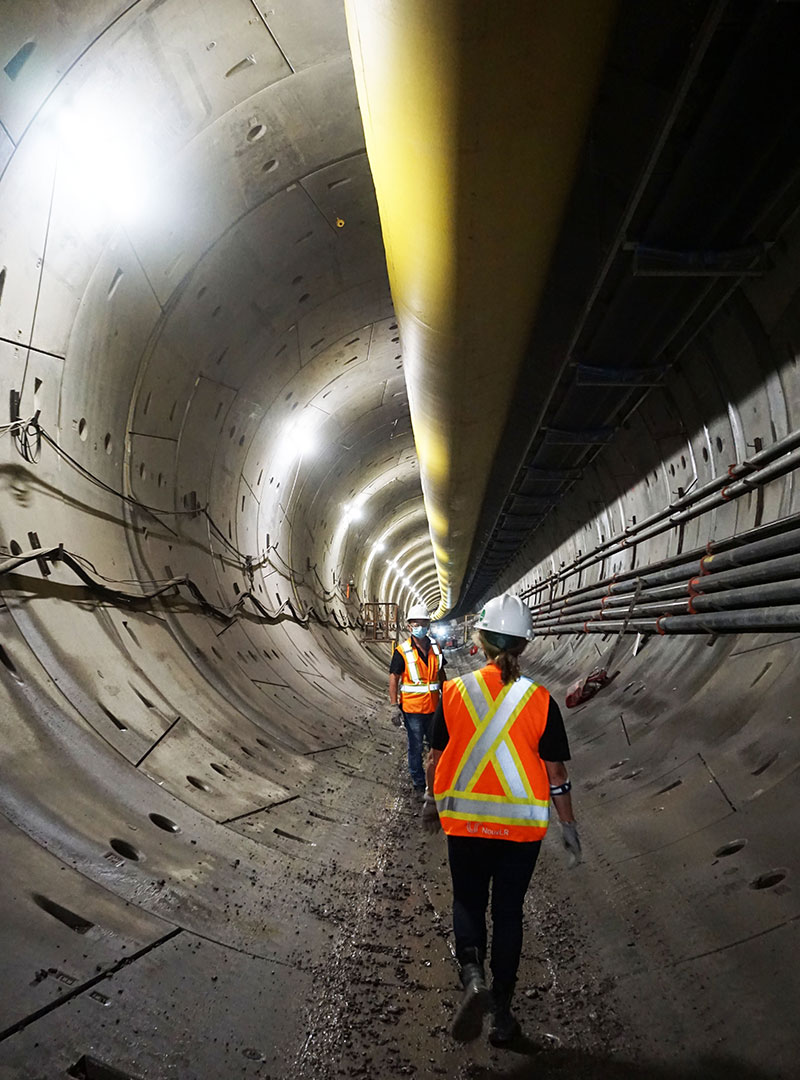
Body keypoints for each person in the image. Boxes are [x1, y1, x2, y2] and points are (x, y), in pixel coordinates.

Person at [421, 593, 581, 1046]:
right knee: (508, 913)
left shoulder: (453, 691)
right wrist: (568, 827)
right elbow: (557, 775)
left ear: (480, 641)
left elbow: (434, 760)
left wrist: (433, 803)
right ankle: (504, 1017)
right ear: (524, 647)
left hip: (466, 825)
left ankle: (472, 976)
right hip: (520, 833)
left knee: (468, 902)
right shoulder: (541, 700)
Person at [388, 603, 446, 791]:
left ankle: (436, 779)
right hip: (412, 710)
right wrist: (393, 705)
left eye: (423, 623)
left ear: (428, 625)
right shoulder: (402, 651)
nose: (420, 627)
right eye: (416, 624)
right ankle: (419, 782)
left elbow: (441, 671)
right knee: (416, 746)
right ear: (409, 626)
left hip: (434, 707)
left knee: (436, 746)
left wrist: (446, 694)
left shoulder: (436, 647)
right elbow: (394, 677)